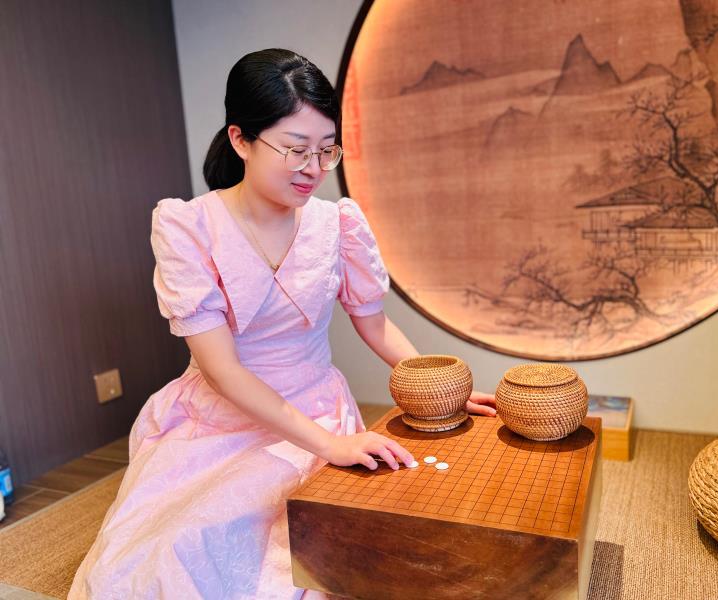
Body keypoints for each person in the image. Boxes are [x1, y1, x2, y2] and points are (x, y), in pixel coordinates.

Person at [68, 48, 496, 599]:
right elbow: (222, 371)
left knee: (329, 551)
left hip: (316, 405)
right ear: (241, 139)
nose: (314, 169)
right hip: (219, 420)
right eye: (295, 149)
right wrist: (329, 445)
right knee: (177, 553)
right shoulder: (188, 227)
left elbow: (374, 326)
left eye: (326, 149)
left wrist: (441, 389)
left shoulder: (337, 224)